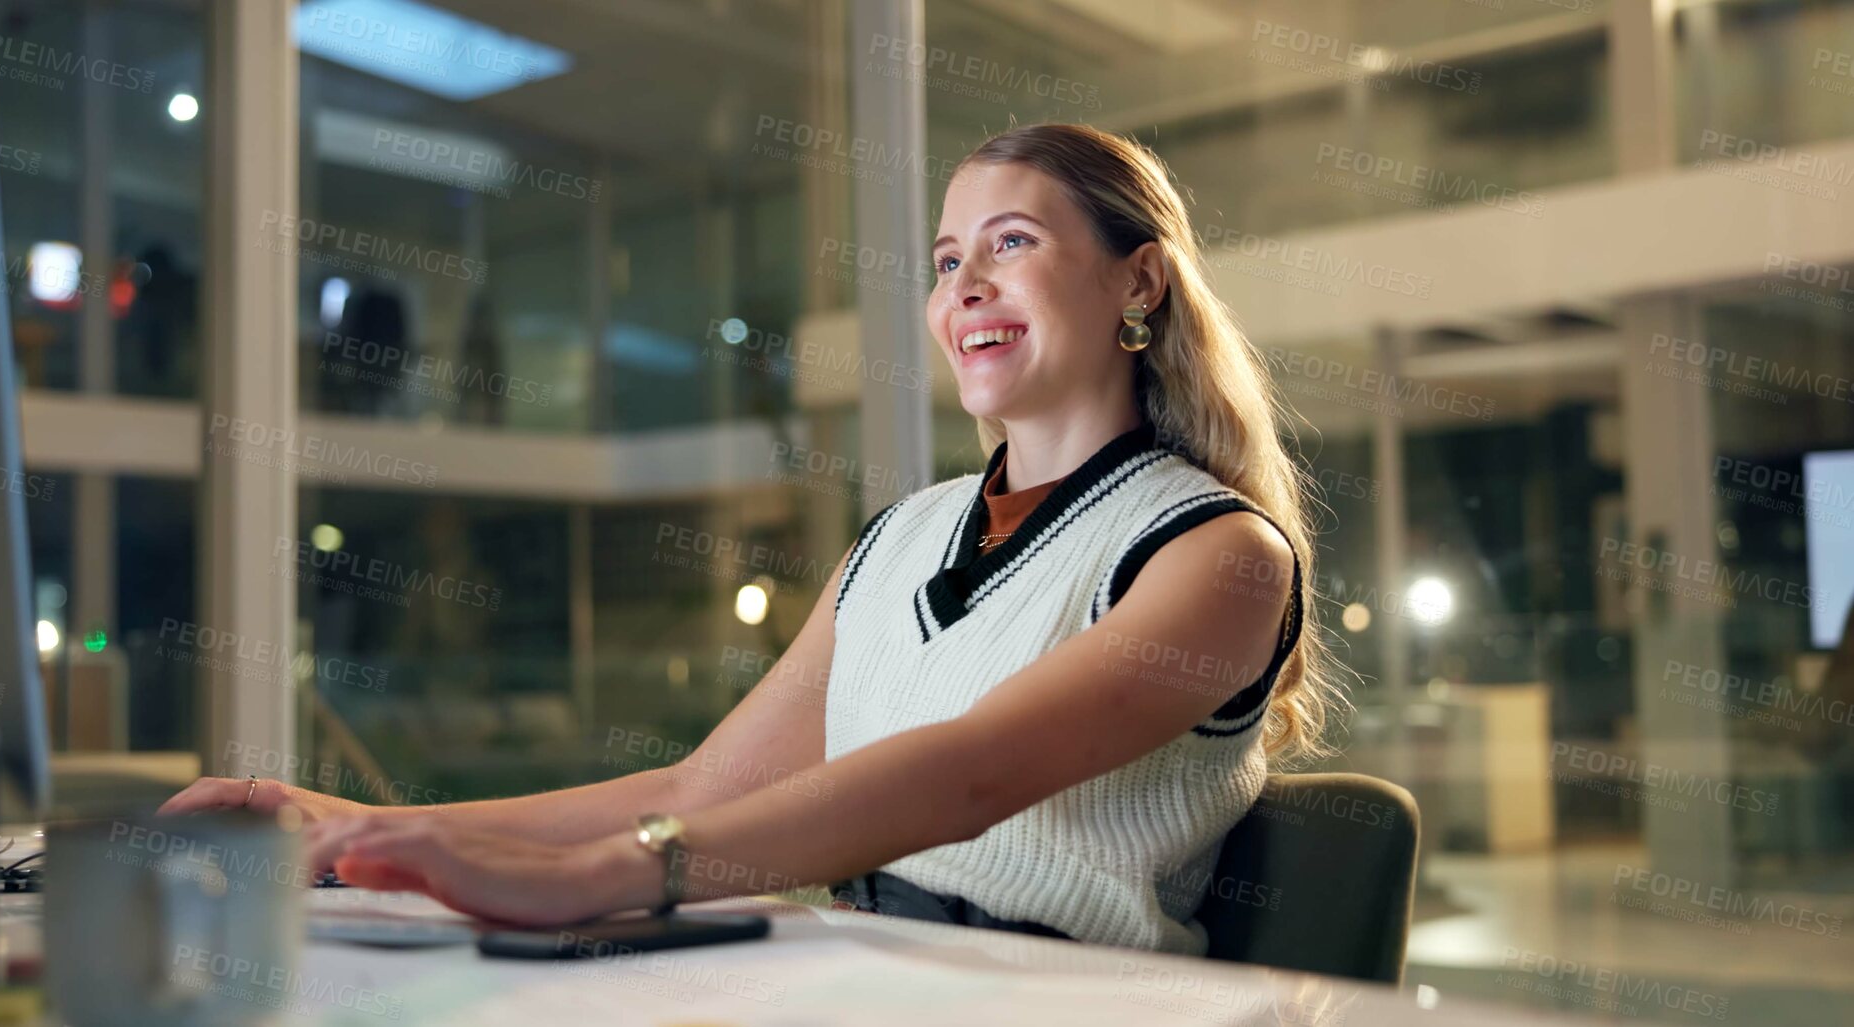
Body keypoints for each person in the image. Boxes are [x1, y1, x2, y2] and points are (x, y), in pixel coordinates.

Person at [160, 122, 1347, 957]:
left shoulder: (1219, 553)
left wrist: (593, 879)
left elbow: (970, 772)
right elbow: (701, 787)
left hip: (1052, 995)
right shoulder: (902, 536)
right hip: (863, 966)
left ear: (1137, 280)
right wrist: (368, 831)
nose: (964, 286)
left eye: (1013, 244)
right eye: (946, 261)